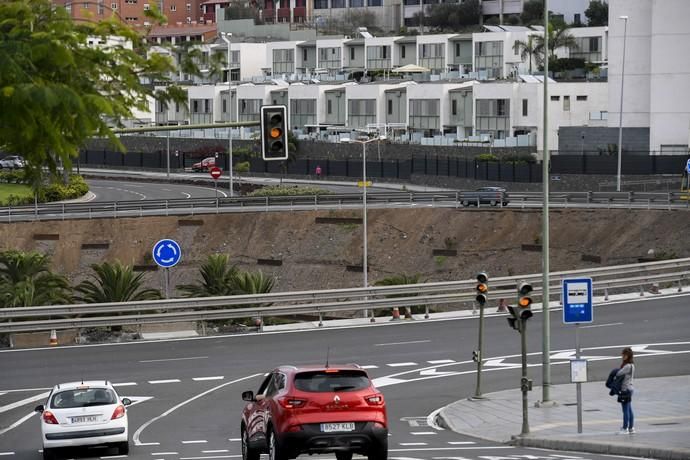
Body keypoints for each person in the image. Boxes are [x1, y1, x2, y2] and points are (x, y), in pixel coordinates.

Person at [616, 347, 635, 434]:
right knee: (629, 409)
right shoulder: (632, 365)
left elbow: (618, 373)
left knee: (625, 410)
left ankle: (625, 428)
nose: (622, 356)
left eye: (624, 354)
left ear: (627, 356)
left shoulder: (627, 366)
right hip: (630, 388)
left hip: (625, 389)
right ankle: (631, 428)